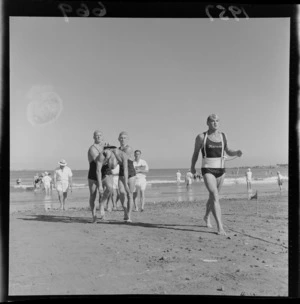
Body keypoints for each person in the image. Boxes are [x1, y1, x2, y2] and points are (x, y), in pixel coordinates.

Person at [190, 114, 242, 236]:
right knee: (214, 195)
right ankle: (220, 227)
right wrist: (192, 167)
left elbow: (228, 150)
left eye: (217, 121)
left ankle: (207, 216)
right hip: (207, 169)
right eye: (212, 121)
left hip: (221, 170)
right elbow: (195, 153)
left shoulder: (223, 136)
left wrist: (237, 152)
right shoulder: (201, 137)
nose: (215, 123)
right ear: (207, 123)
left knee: (213, 197)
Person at [96, 144, 134, 222]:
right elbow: (98, 170)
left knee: (110, 189)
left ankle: (102, 204)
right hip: (101, 172)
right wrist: (99, 185)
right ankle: (102, 207)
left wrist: (126, 183)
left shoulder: (120, 155)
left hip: (108, 173)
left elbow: (125, 169)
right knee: (102, 190)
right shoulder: (103, 155)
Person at [117, 131, 136, 221]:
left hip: (130, 173)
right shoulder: (117, 149)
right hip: (121, 173)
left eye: (124, 138)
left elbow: (121, 159)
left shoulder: (128, 149)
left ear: (127, 139)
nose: (123, 139)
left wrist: (113, 153)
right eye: (121, 137)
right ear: (118, 139)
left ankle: (129, 215)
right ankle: (125, 211)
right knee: (121, 192)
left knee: (129, 194)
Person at [87, 130, 106, 222]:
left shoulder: (105, 148)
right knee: (93, 195)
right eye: (96, 135)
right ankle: (94, 215)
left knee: (102, 195)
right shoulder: (92, 148)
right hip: (93, 175)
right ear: (93, 137)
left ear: (102, 137)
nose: (98, 137)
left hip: (103, 174)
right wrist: (107, 153)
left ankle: (102, 213)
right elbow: (98, 161)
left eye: (100, 135)